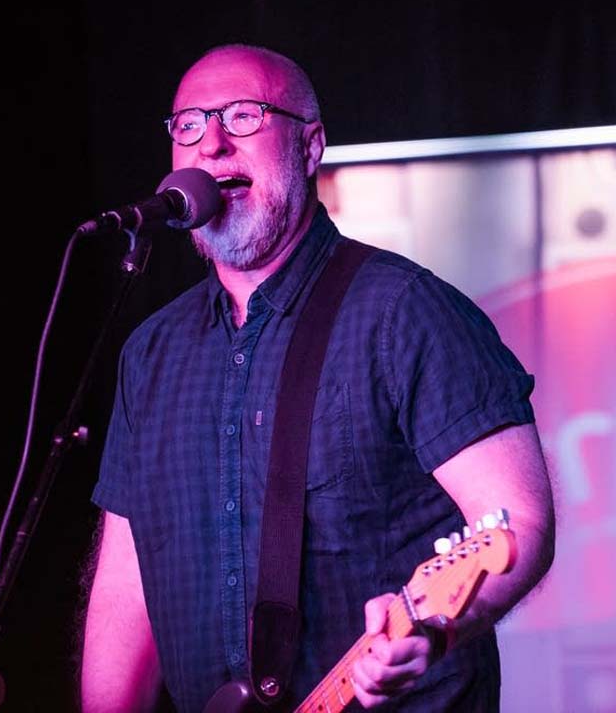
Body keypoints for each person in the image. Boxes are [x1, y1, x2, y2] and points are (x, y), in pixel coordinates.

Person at [80, 44, 556, 712]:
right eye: (188, 124)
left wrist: (435, 628)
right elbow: (126, 593)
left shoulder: (404, 312)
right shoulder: (151, 353)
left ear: (310, 148)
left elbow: (518, 521)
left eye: (243, 117)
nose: (211, 144)